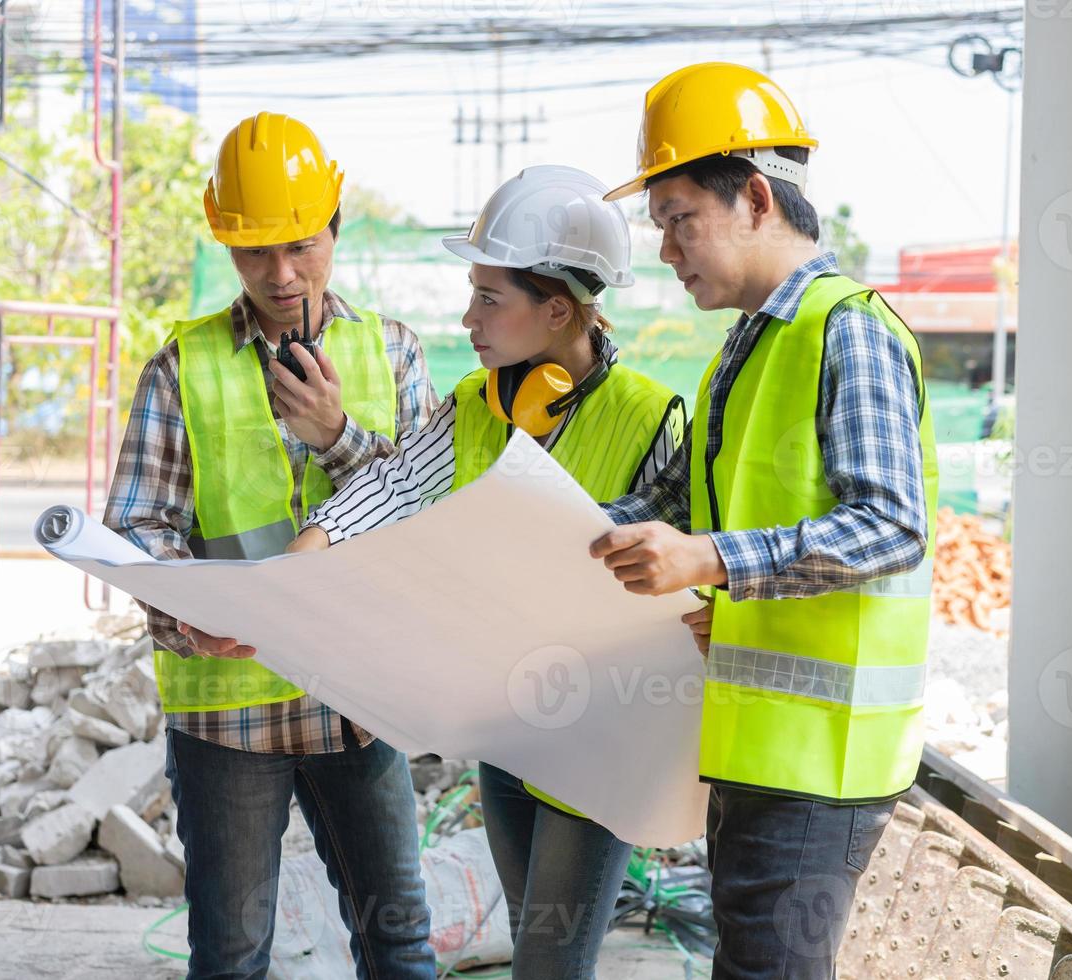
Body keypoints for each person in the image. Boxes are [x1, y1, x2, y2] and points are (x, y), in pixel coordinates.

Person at [289, 164, 690, 980]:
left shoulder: (652, 417)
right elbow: (393, 486)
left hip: (604, 738)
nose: (467, 317)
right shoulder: (478, 402)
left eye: (489, 298)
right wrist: (299, 565)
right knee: (534, 948)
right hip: (510, 726)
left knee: (548, 962)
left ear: (557, 308)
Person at [589, 63, 939, 979]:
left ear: (753, 197)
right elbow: (672, 508)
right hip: (758, 744)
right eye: (659, 225)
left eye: (678, 219)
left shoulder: (846, 330)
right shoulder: (742, 348)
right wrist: (548, 534)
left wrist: (709, 560)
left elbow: (891, 525)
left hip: (824, 763)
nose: (665, 249)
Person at [104, 110, 438, 979]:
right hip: (229, 713)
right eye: (256, 252)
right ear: (227, 246)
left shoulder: (393, 354)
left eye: (300, 245)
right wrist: (190, 617)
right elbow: (140, 526)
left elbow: (432, 513)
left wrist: (337, 435)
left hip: (360, 702)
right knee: (230, 956)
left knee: (400, 944)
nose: (282, 274)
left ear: (334, 225)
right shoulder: (183, 367)